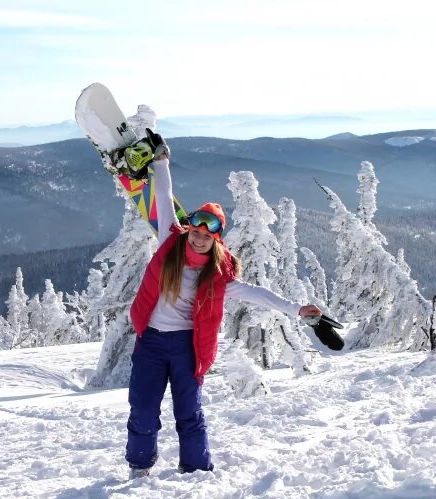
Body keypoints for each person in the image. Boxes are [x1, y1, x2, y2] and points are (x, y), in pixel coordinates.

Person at [125, 130, 321, 478]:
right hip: (152, 341)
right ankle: (140, 467)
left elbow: (258, 293)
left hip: (187, 347)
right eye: (196, 232)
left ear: (215, 239)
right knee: (142, 407)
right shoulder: (169, 242)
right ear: (189, 230)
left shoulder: (218, 278)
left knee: (189, 411)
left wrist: (296, 309)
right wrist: (161, 161)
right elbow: (165, 195)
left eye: (207, 235)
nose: (199, 239)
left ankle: (196, 471)